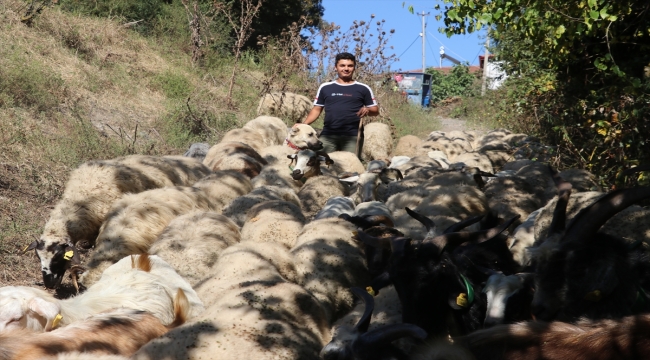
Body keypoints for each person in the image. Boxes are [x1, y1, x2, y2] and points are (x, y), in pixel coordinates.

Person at [300, 52, 379, 156]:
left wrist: (368, 110)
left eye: (350, 66)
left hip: (353, 136)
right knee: (321, 163)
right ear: (335, 67)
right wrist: (304, 125)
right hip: (328, 135)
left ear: (354, 68)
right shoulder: (325, 87)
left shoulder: (363, 88)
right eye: (342, 65)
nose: (346, 69)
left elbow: (375, 111)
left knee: (350, 168)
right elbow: (317, 109)